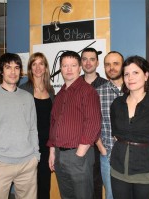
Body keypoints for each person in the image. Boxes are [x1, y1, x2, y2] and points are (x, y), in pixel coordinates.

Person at [0, 53, 40, 199]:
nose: (13, 72)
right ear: (1, 71)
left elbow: (32, 129)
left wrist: (35, 156)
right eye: (8, 67)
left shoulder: (28, 97)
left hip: (27, 165)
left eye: (17, 68)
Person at [110, 55, 149, 199]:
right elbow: (115, 134)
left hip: (147, 171)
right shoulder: (117, 104)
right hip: (118, 170)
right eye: (126, 74)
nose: (130, 77)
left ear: (146, 75)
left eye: (135, 72)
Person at [47, 50, 101, 199]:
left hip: (78, 155)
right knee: (67, 196)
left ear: (79, 68)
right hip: (59, 155)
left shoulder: (88, 91)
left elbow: (93, 123)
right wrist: (52, 152)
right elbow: (53, 124)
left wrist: (79, 154)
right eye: (65, 66)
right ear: (61, 69)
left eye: (73, 65)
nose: (69, 69)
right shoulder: (60, 95)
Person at [19, 52, 54, 199]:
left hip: (46, 146)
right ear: (30, 68)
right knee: (29, 187)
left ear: (46, 68)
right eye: (34, 64)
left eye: (41, 64)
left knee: (44, 185)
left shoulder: (50, 90)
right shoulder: (23, 89)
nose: (38, 67)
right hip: (29, 146)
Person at [95, 51, 124, 199]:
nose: (111, 67)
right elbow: (92, 124)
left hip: (135, 157)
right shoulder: (97, 93)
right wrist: (101, 148)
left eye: (116, 63)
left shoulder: (135, 90)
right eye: (107, 64)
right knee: (111, 195)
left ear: (123, 66)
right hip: (108, 156)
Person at [81, 47, 107, 199]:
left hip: (99, 144)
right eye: (84, 59)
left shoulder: (106, 85)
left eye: (92, 59)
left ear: (97, 62)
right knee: (80, 183)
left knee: (96, 183)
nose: (88, 62)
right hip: (79, 143)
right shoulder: (75, 85)